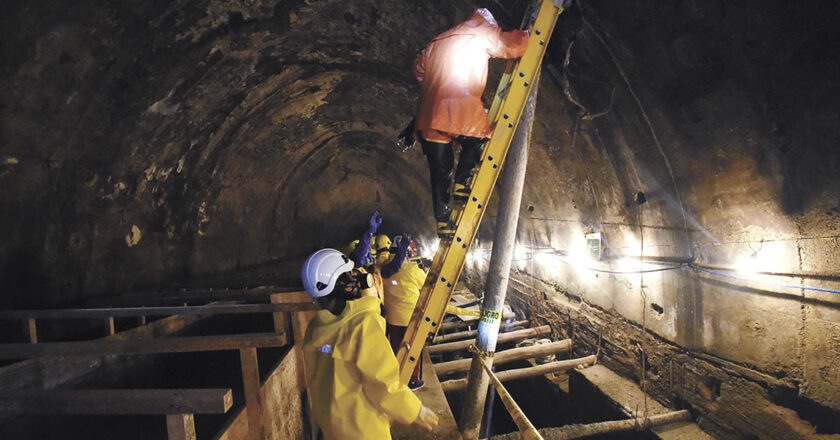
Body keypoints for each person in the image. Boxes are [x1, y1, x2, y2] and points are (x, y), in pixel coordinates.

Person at [404, 8, 529, 237]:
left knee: (440, 173)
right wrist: (530, 36)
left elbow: (419, 70)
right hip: (460, 107)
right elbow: (512, 46)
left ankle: (444, 222)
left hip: (430, 115)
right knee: (479, 135)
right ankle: (463, 182)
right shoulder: (482, 32)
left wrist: (436, 83)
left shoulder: (439, 40)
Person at [301, 248, 439, 439]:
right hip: (363, 429)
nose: (358, 274)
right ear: (345, 286)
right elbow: (383, 384)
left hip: (332, 427)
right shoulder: (363, 325)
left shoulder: (315, 327)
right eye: (352, 272)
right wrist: (414, 411)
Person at [382, 236, 429, 389]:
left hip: (392, 318)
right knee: (412, 349)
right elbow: (427, 285)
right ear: (407, 253)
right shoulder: (413, 270)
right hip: (410, 318)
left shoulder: (383, 268)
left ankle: (398, 375)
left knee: (397, 347)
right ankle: (412, 380)